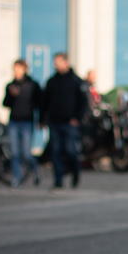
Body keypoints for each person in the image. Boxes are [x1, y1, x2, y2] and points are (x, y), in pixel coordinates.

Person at [42, 52, 88, 189]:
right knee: (55, 152)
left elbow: (83, 102)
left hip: (70, 123)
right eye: (54, 63)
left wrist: (77, 118)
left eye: (57, 62)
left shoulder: (76, 81)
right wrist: (42, 119)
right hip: (55, 123)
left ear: (65, 62)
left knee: (70, 151)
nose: (55, 65)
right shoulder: (51, 82)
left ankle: (75, 172)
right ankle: (58, 180)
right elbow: (45, 102)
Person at [1, 59, 42, 188]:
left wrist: (41, 120)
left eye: (18, 69)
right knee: (14, 152)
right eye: (14, 69)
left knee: (26, 153)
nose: (16, 72)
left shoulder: (32, 85)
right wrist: (11, 96)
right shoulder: (11, 85)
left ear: (24, 69)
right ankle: (17, 178)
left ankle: (35, 170)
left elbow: (39, 103)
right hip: (13, 122)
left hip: (27, 123)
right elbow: (5, 103)